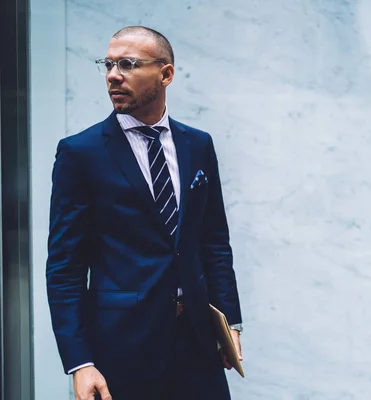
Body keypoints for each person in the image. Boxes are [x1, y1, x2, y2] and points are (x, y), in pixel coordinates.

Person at [46, 26, 243, 400]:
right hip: (121, 349)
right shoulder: (80, 153)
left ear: (166, 74)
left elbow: (214, 240)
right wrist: (80, 363)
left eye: (128, 64)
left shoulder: (198, 144)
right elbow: (64, 268)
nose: (113, 75)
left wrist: (230, 322)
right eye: (108, 65)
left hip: (199, 344)